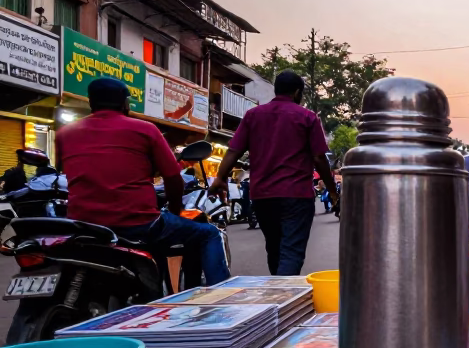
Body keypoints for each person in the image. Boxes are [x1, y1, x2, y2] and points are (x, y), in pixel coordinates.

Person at [55, 77, 229, 284]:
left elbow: (65, 172)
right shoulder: (145, 129)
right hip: (138, 224)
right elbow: (173, 178)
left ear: (91, 102)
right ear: (125, 103)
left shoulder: (64, 133)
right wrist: (175, 212)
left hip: (82, 225)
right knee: (209, 233)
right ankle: (220, 298)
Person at [208, 70, 337, 275]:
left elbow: (234, 150)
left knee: (274, 248)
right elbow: (319, 158)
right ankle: (282, 299)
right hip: (296, 196)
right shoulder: (307, 117)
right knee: (291, 251)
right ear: (297, 93)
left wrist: (219, 179)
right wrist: (332, 190)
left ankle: (277, 293)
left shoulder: (253, 115)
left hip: (263, 196)